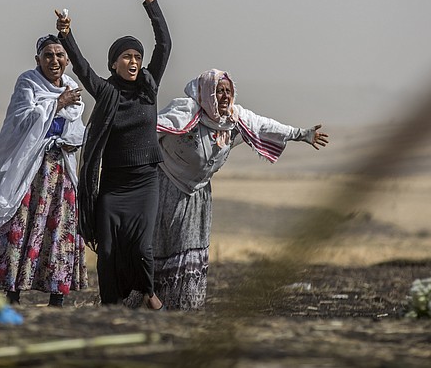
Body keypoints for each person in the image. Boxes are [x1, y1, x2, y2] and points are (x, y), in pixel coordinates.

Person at [139, 68, 329, 310]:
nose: (225, 96)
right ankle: (144, 299)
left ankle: (183, 306)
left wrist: (301, 134)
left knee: (187, 249)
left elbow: (264, 126)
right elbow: (147, 130)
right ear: (207, 92)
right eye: (219, 91)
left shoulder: (233, 120)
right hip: (165, 186)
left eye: (228, 91)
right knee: (159, 243)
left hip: (198, 197)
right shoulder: (186, 110)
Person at [55, 0, 172, 310]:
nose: (133, 61)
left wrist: (151, 2)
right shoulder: (106, 92)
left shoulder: (149, 86)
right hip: (114, 184)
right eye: (126, 56)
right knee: (106, 250)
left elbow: (165, 45)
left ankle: (149, 295)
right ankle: (110, 304)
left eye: (137, 56)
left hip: (146, 180)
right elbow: (81, 67)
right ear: (114, 64)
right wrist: (66, 34)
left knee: (141, 248)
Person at [0, 35, 87, 307]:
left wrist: (71, 140)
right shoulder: (28, 82)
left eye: (60, 55)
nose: (54, 60)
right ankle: (12, 289)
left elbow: (76, 128)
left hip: (60, 170)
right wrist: (58, 104)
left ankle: (56, 293)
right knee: (21, 223)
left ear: (68, 60)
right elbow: (22, 120)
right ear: (38, 59)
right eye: (48, 55)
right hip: (31, 170)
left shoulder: (72, 87)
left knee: (59, 226)